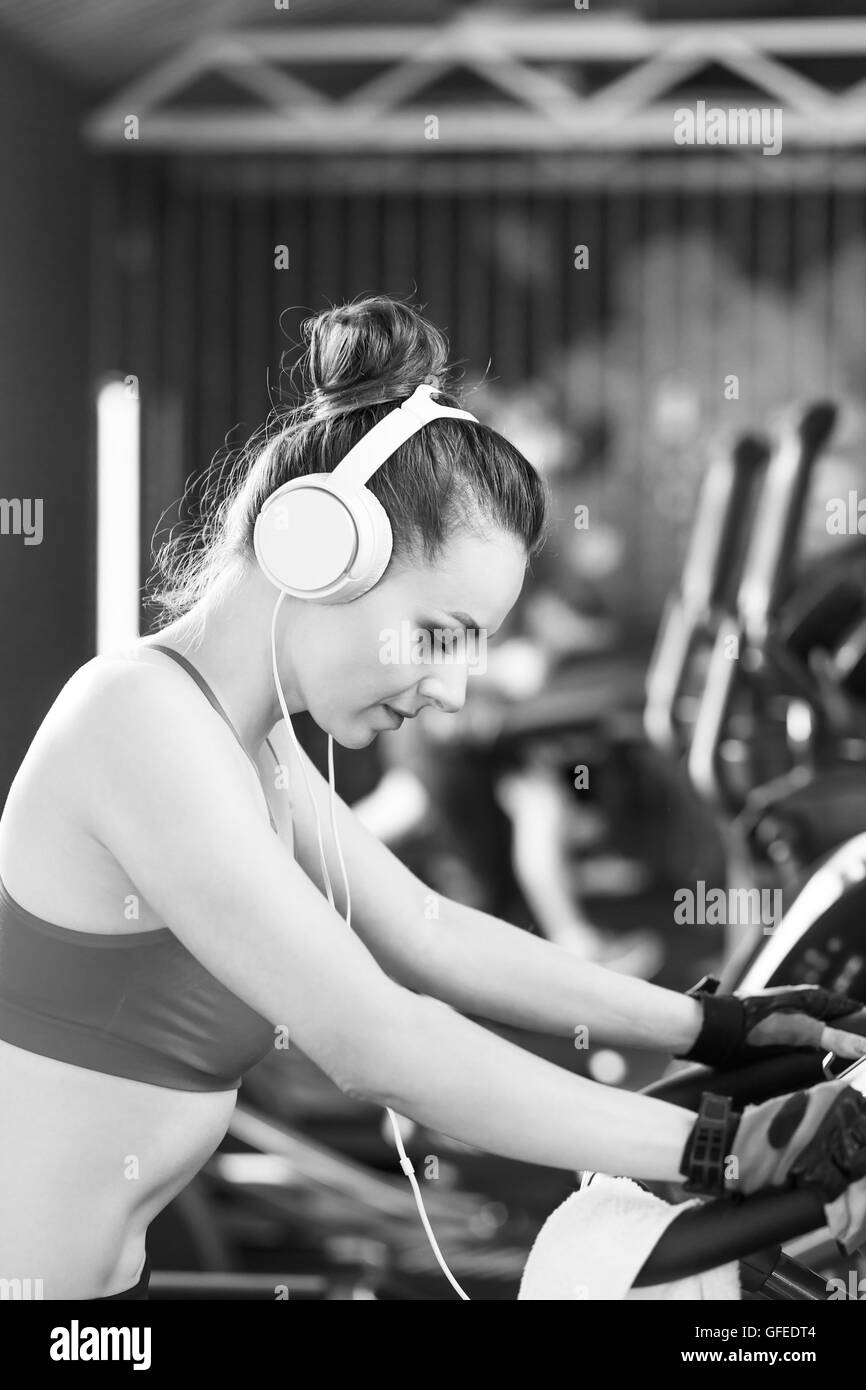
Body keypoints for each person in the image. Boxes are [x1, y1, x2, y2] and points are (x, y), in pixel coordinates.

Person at [2, 295, 866, 1301]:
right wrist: (719, 1148)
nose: (453, 688)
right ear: (318, 551)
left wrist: (709, 1028)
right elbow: (381, 1040)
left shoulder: (254, 743)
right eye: (439, 632)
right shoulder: (136, 717)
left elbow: (429, 929)